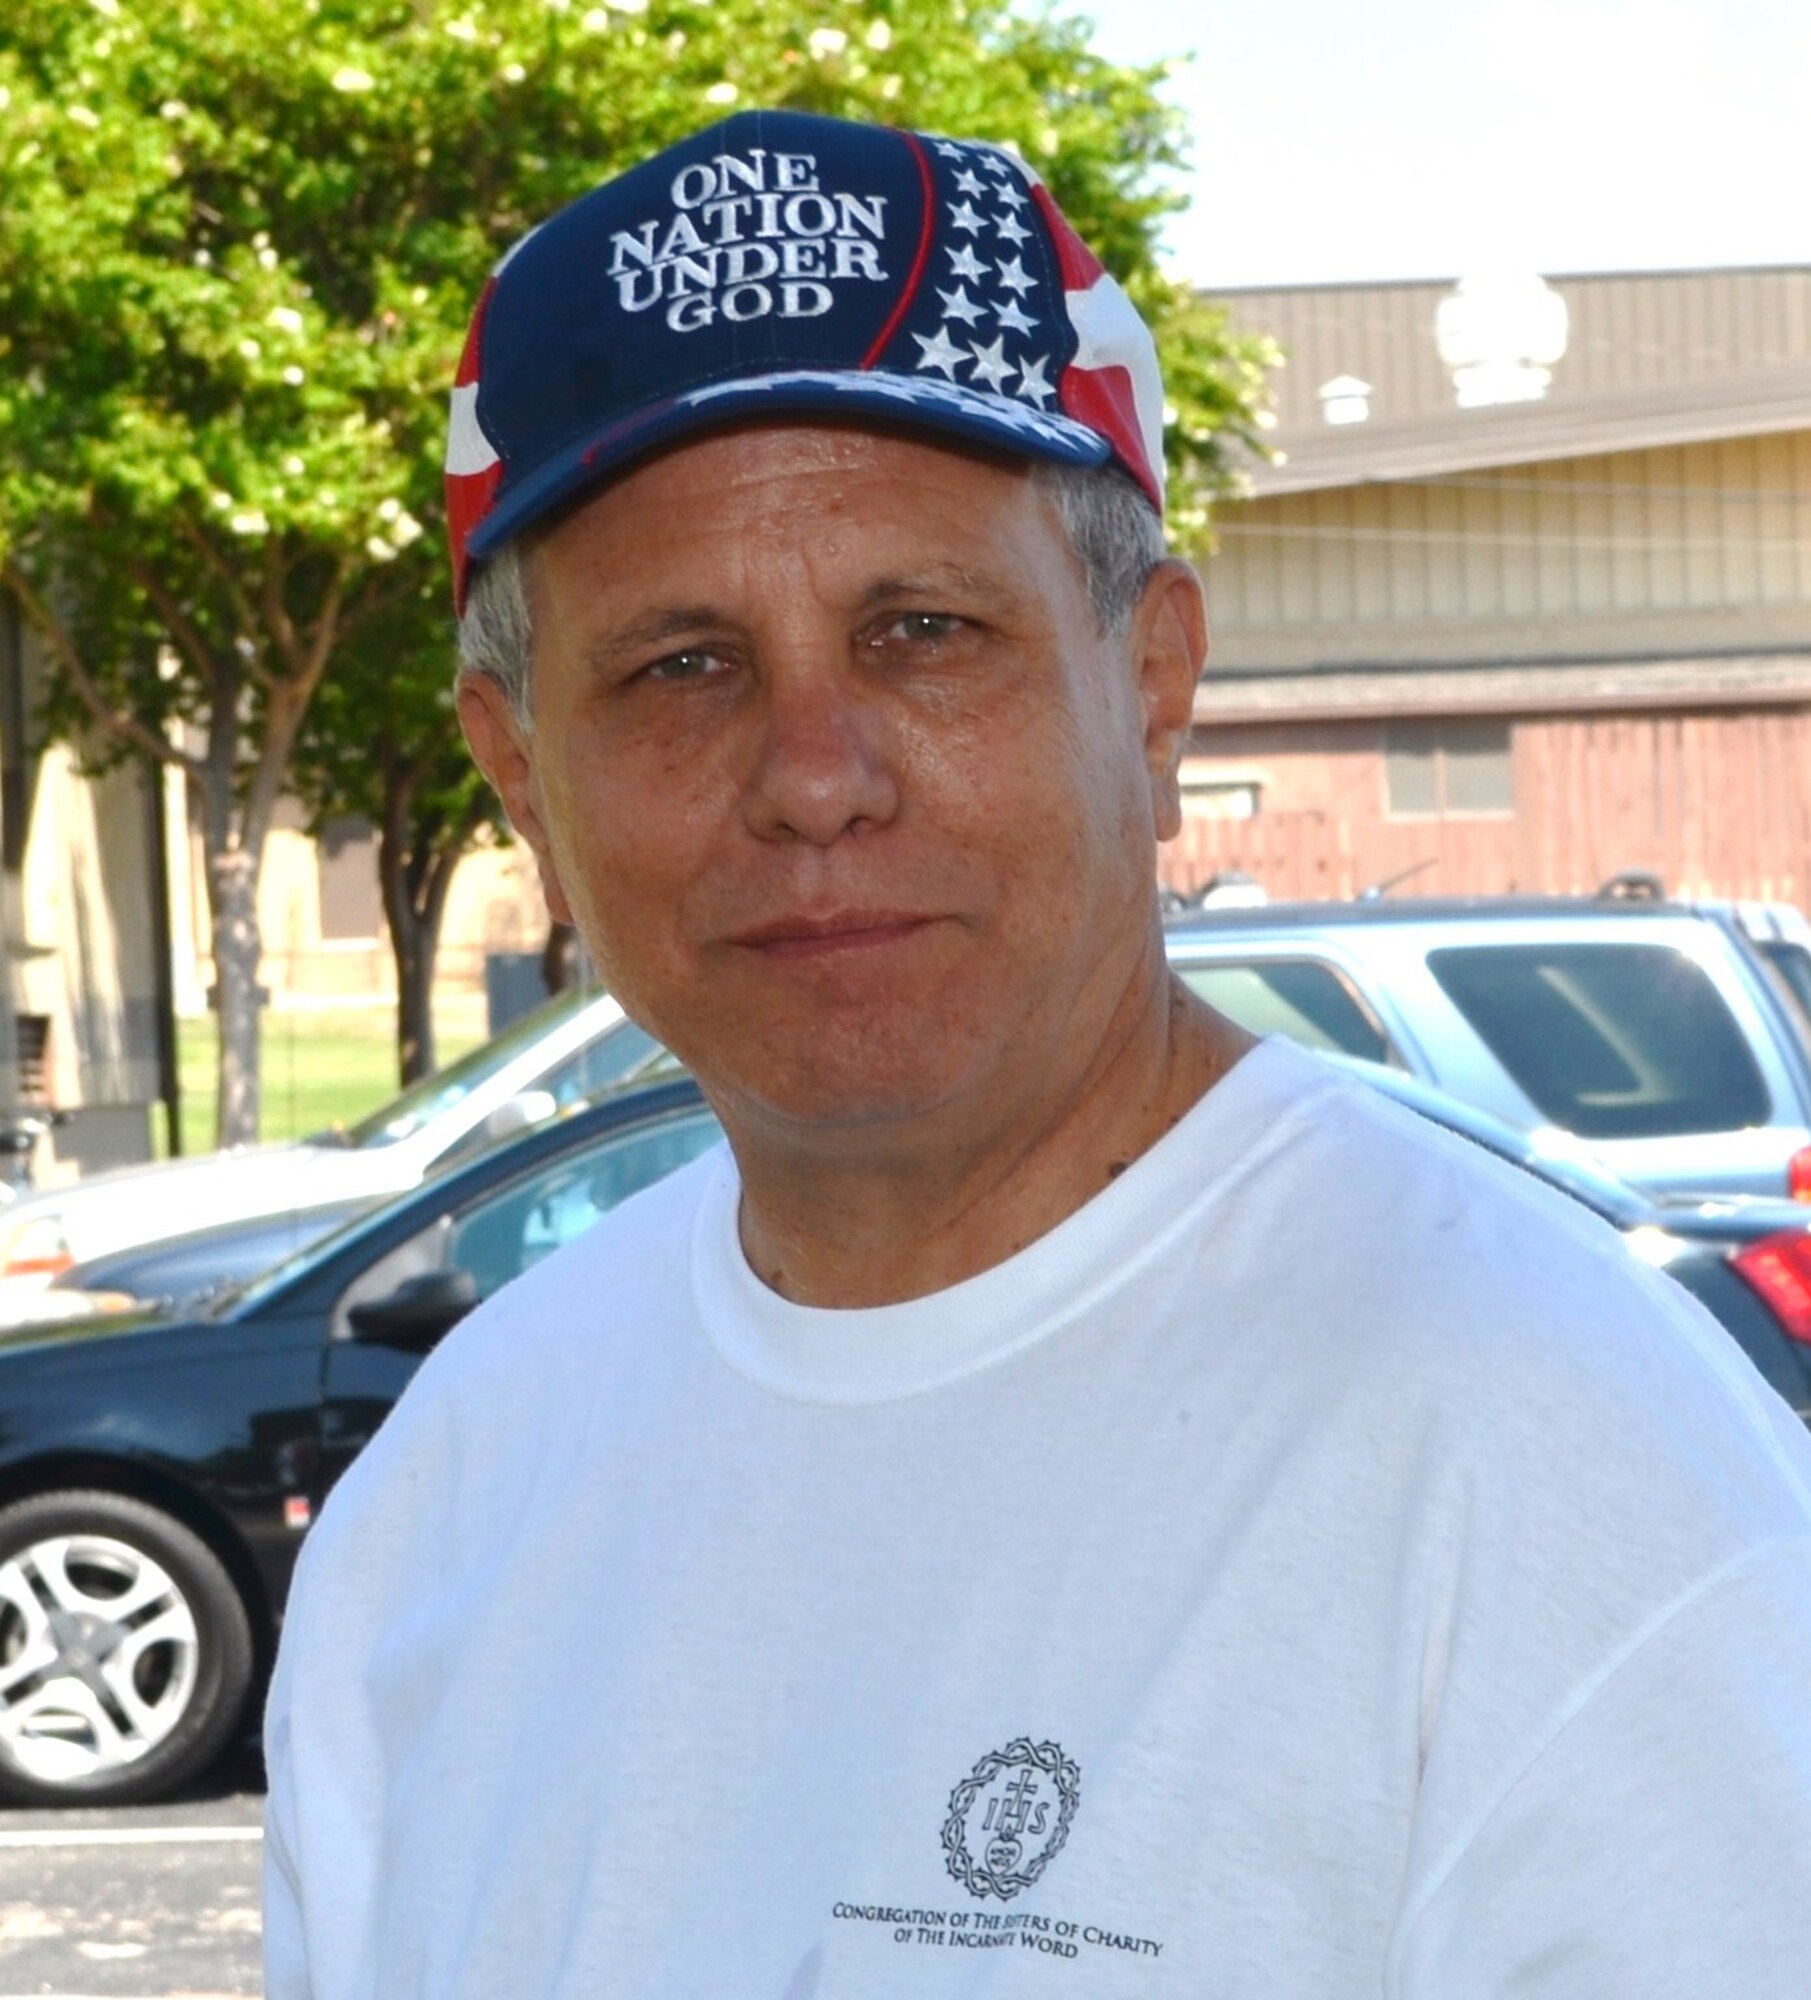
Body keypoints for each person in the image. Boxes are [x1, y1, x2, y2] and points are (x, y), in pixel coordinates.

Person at [263, 109, 1811, 1997]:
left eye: (923, 630)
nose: (813, 776)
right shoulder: (452, 1498)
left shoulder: (1561, 1461)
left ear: (1151, 688)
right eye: (681, 665)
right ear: (522, 774)